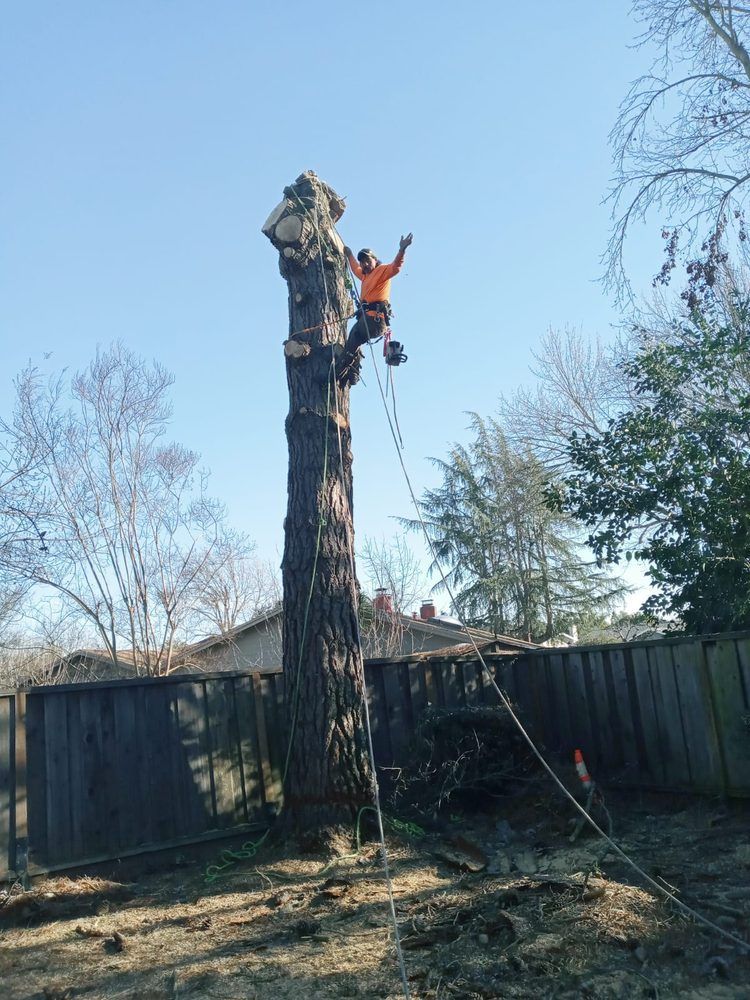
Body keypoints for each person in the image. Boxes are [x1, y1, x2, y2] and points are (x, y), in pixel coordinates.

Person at [338, 233, 413, 384]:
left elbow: (396, 267)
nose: (365, 264)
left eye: (368, 261)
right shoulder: (365, 276)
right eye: (363, 262)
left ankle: (342, 370)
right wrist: (349, 254)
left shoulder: (382, 271)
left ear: (375, 260)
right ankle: (352, 373)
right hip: (368, 320)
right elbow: (355, 268)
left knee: (354, 336)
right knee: (354, 341)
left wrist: (402, 250)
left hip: (375, 320)